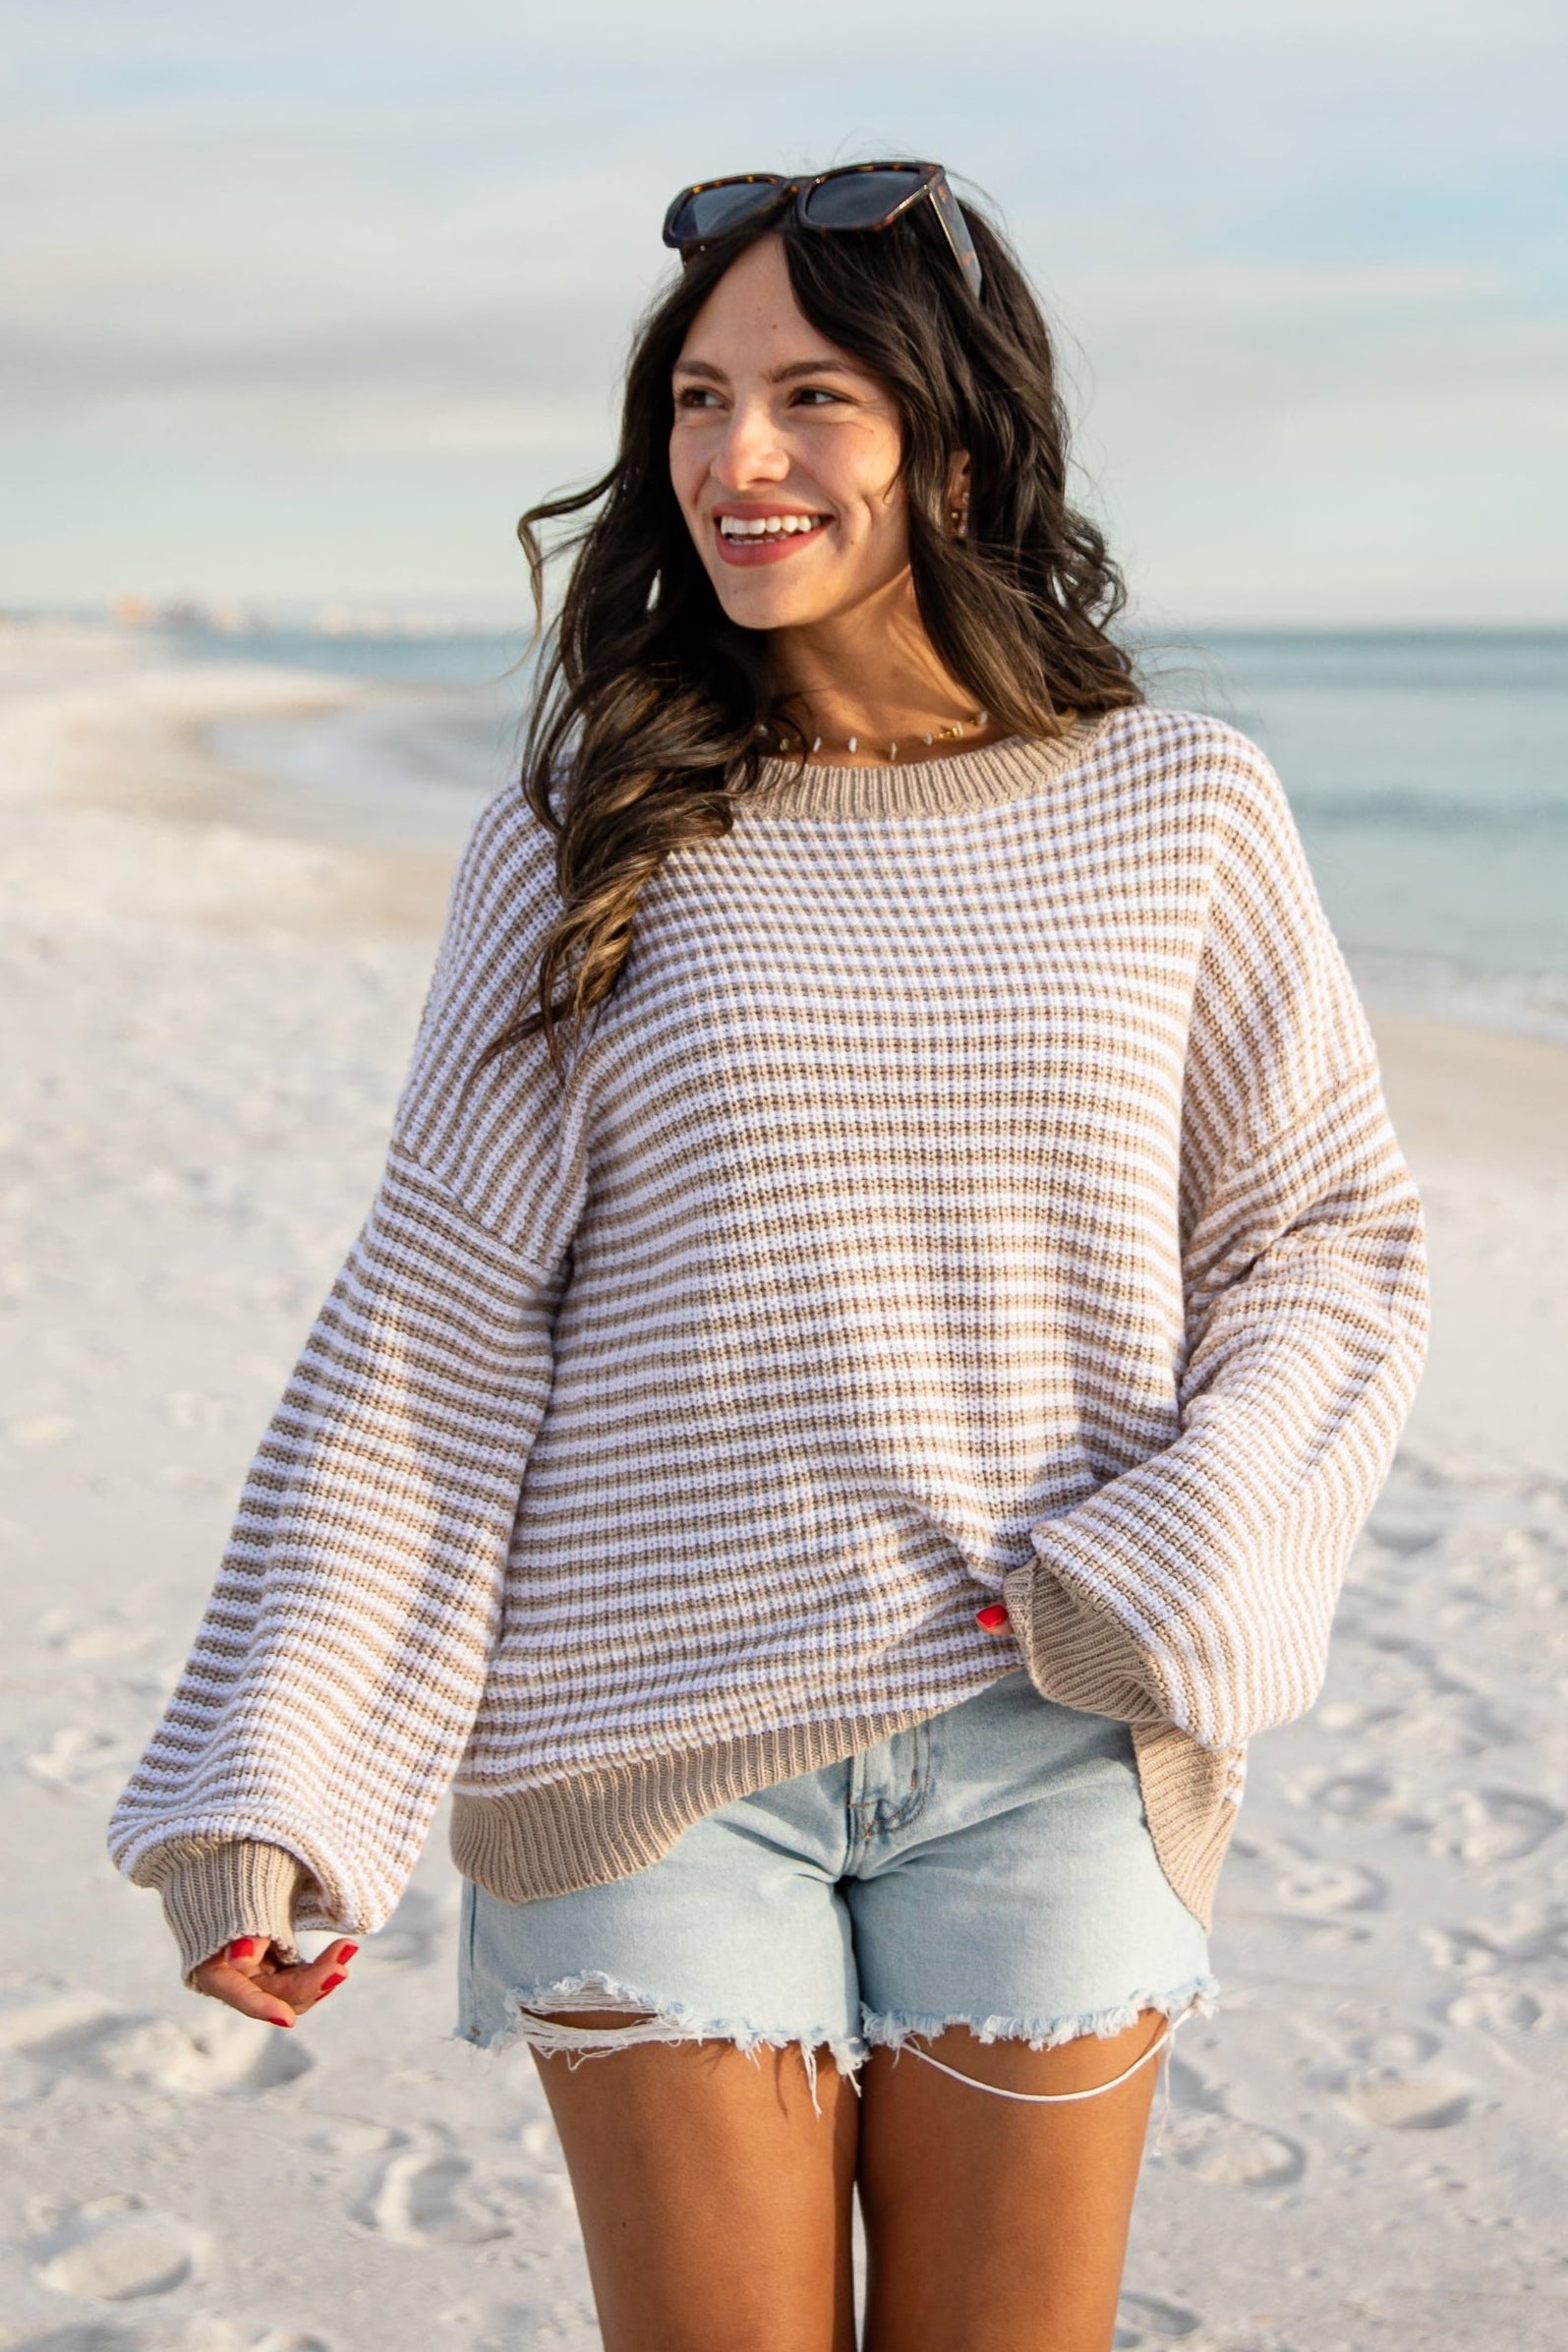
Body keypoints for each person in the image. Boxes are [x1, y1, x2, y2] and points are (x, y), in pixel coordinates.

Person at [108, 162, 1428, 2352]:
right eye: (700, 401)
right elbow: (437, 1321)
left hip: (1046, 1719)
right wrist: (283, 1784)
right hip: (649, 1738)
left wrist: (1171, 1553)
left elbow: (1327, 1242)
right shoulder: (585, 832)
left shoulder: (1185, 802)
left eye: (812, 395)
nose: (737, 458)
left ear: (955, 439)